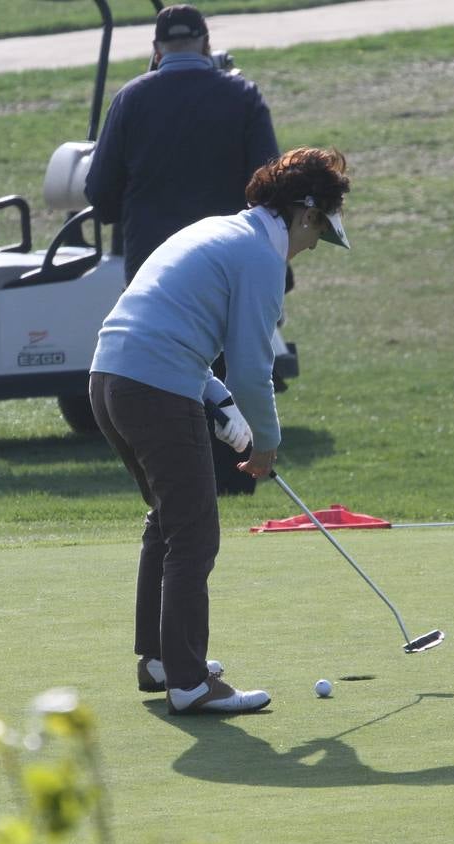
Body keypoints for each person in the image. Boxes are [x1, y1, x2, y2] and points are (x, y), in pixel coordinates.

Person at [89, 146, 351, 714]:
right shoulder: (260, 257)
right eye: (318, 231)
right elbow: (255, 366)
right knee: (194, 535)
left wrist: (219, 399)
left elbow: (176, 331)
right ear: (305, 214)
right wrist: (267, 443)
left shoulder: (218, 231)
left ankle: (160, 659)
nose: (311, 247)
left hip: (109, 381)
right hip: (153, 389)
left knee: (168, 522)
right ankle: (189, 682)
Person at [84, 4, 281, 494]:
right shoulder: (240, 95)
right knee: (225, 365)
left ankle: (178, 488)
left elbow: (100, 193)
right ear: (207, 44)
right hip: (231, 260)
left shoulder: (131, 98)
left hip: (155, 265)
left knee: (163, 372)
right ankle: (230, 478)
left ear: (155, 51)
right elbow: (270, 187)